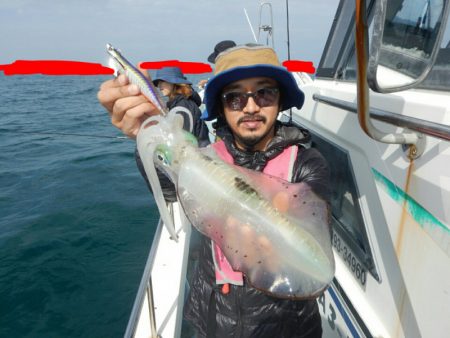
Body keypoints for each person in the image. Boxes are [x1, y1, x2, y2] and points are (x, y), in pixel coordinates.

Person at [97, 43, 331, 337]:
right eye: (234, 97)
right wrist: (150, 134)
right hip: (213, 315)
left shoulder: (306, 163)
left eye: (264, 93)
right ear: (221, 106)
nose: (250, 106)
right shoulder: (207, 156)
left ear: (280, 99)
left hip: (285, 323)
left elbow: (310, 237)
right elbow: (171, 187)